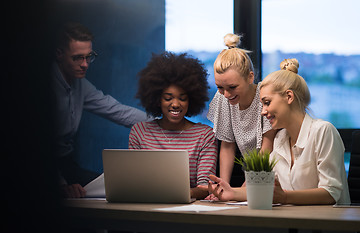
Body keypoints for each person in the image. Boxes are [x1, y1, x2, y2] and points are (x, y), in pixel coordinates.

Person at [208, 58, 351, 205]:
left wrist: (285, 197)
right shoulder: (280, 139)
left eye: (267, 103)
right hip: (293, 223)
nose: (263, 111)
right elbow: (264, 188)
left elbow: (330, 193)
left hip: (328, 225)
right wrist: (231, 192)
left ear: (289, 97)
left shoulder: (323, 131)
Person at [53, 22, 151, 198]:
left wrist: (162, 122)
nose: (85, 64)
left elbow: (116, 110)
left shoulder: (79, 84)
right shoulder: (43, 87)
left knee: (115, 192)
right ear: (59, 54)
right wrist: (60, 185)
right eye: (77, 58)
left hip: (67, 163)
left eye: (88, 57)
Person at [128, 51, 218, 200]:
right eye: (168, 98)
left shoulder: (204, 135)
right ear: (157, 99)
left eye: (182, 99)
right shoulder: (140, 132)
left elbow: (205, 186)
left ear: (191, 100)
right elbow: (133, 180)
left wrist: (182, 193)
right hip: (145, 206)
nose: (175, 104)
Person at [207, 33, 276, 184]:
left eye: (232, 87)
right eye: (220, 87)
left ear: (250, 77)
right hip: (252, 172)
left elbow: (268, 144)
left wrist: (251, 181)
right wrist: (223, 185)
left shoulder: (265, 96)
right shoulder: (222, 98)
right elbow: (227, 145)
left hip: (273, 169)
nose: (226, 94)